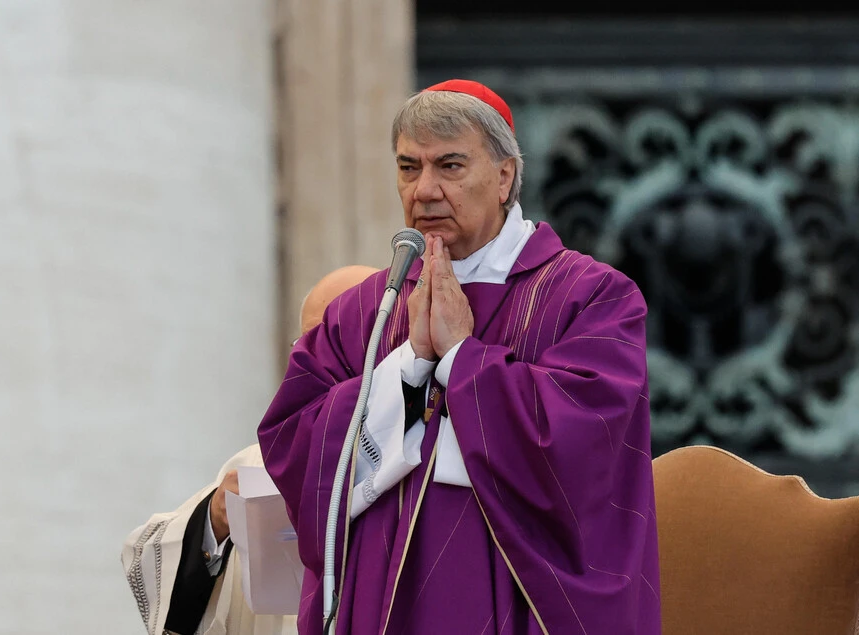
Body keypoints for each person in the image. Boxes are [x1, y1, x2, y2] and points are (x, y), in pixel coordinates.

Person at [257, 79, 661, 634]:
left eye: (449, 166)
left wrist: (463, 359)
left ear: (504, 178)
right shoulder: (363, 311)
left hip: (512, 600)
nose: (423, 190)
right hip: (378, 600)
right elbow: (292, 442)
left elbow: (587, 447)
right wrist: (409, 364)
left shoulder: (591, 297)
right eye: (407, 168)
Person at [122, 265, 379, 635]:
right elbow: (150, 554)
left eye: (338, 342)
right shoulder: (266, 459)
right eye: (308, 345)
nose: (318, 361)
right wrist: (215, 522)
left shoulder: (431, 451)